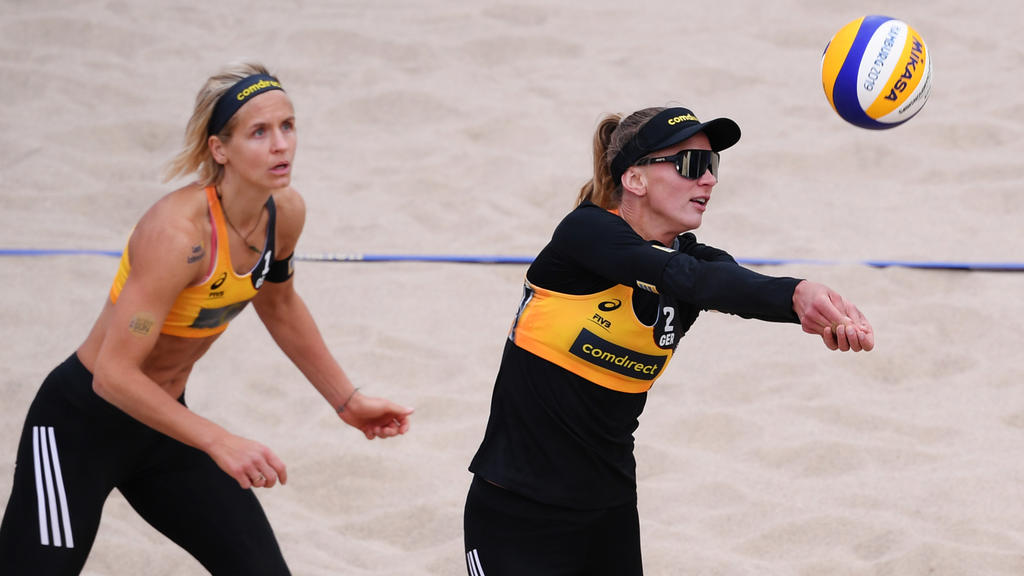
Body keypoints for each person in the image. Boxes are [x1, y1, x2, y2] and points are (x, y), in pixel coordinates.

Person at [0, 62, 413, 574]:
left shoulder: (284, 214)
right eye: (258, 132)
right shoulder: (179, 236)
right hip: (80, 427)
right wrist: (218, 440)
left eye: (287, 126)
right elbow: (112, 375)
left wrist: (347, 401)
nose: (281, 145)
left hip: (165, 426)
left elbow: (279, 304)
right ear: (220, 149)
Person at [463, 106, 874, 575]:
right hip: (516, 513)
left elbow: (732, 285)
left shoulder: (695, 264)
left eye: (712, 166)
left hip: (608, 514)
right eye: (691, 165)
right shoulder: (584, 236)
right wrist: (796, 294)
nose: (710, 180)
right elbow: (679, 276)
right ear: (634, 179)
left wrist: (808, 300)